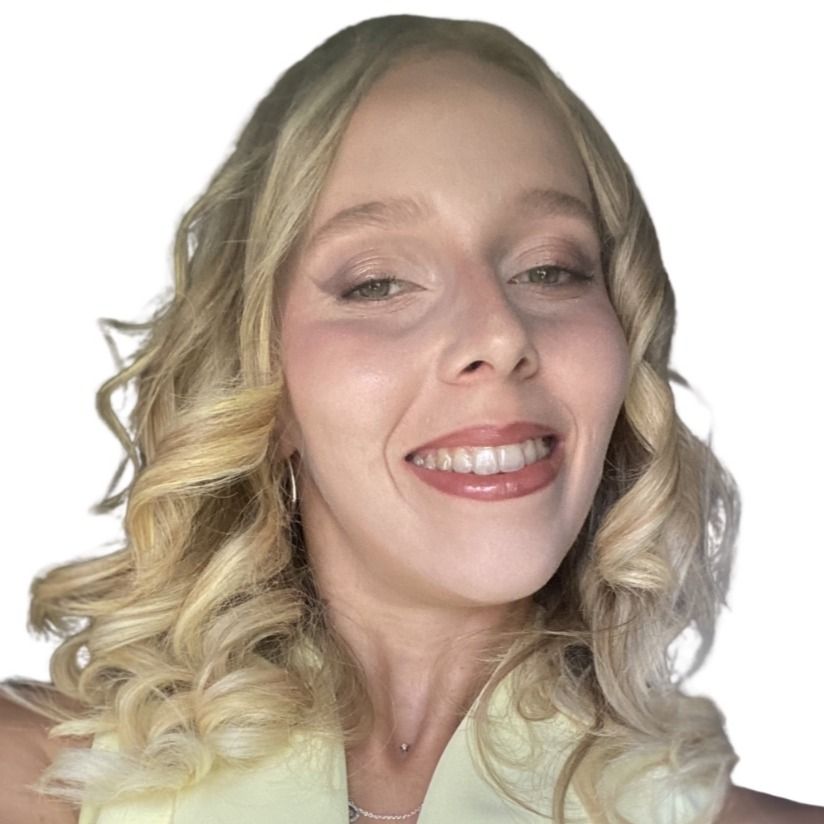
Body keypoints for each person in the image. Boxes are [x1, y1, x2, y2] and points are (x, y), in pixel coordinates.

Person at [0, 14, 821, 824]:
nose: (500, 335)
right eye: (378, 284)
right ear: (263, 381)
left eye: (549, 269)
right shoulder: (36, 781)